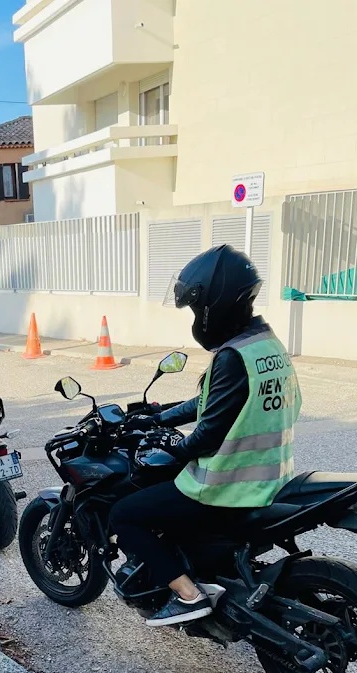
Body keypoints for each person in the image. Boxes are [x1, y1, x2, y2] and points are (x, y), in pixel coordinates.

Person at [109, 244, 301, 627]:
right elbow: (214, 401)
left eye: (197, 307)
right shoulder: (264, 344)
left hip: (226, 486)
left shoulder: (232, 355)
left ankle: (188, 595)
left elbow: (210, 433)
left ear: (216, 303)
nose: (196, 317)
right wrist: (161, 415)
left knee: (124, 515)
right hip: (270, 477)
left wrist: (174, 451)